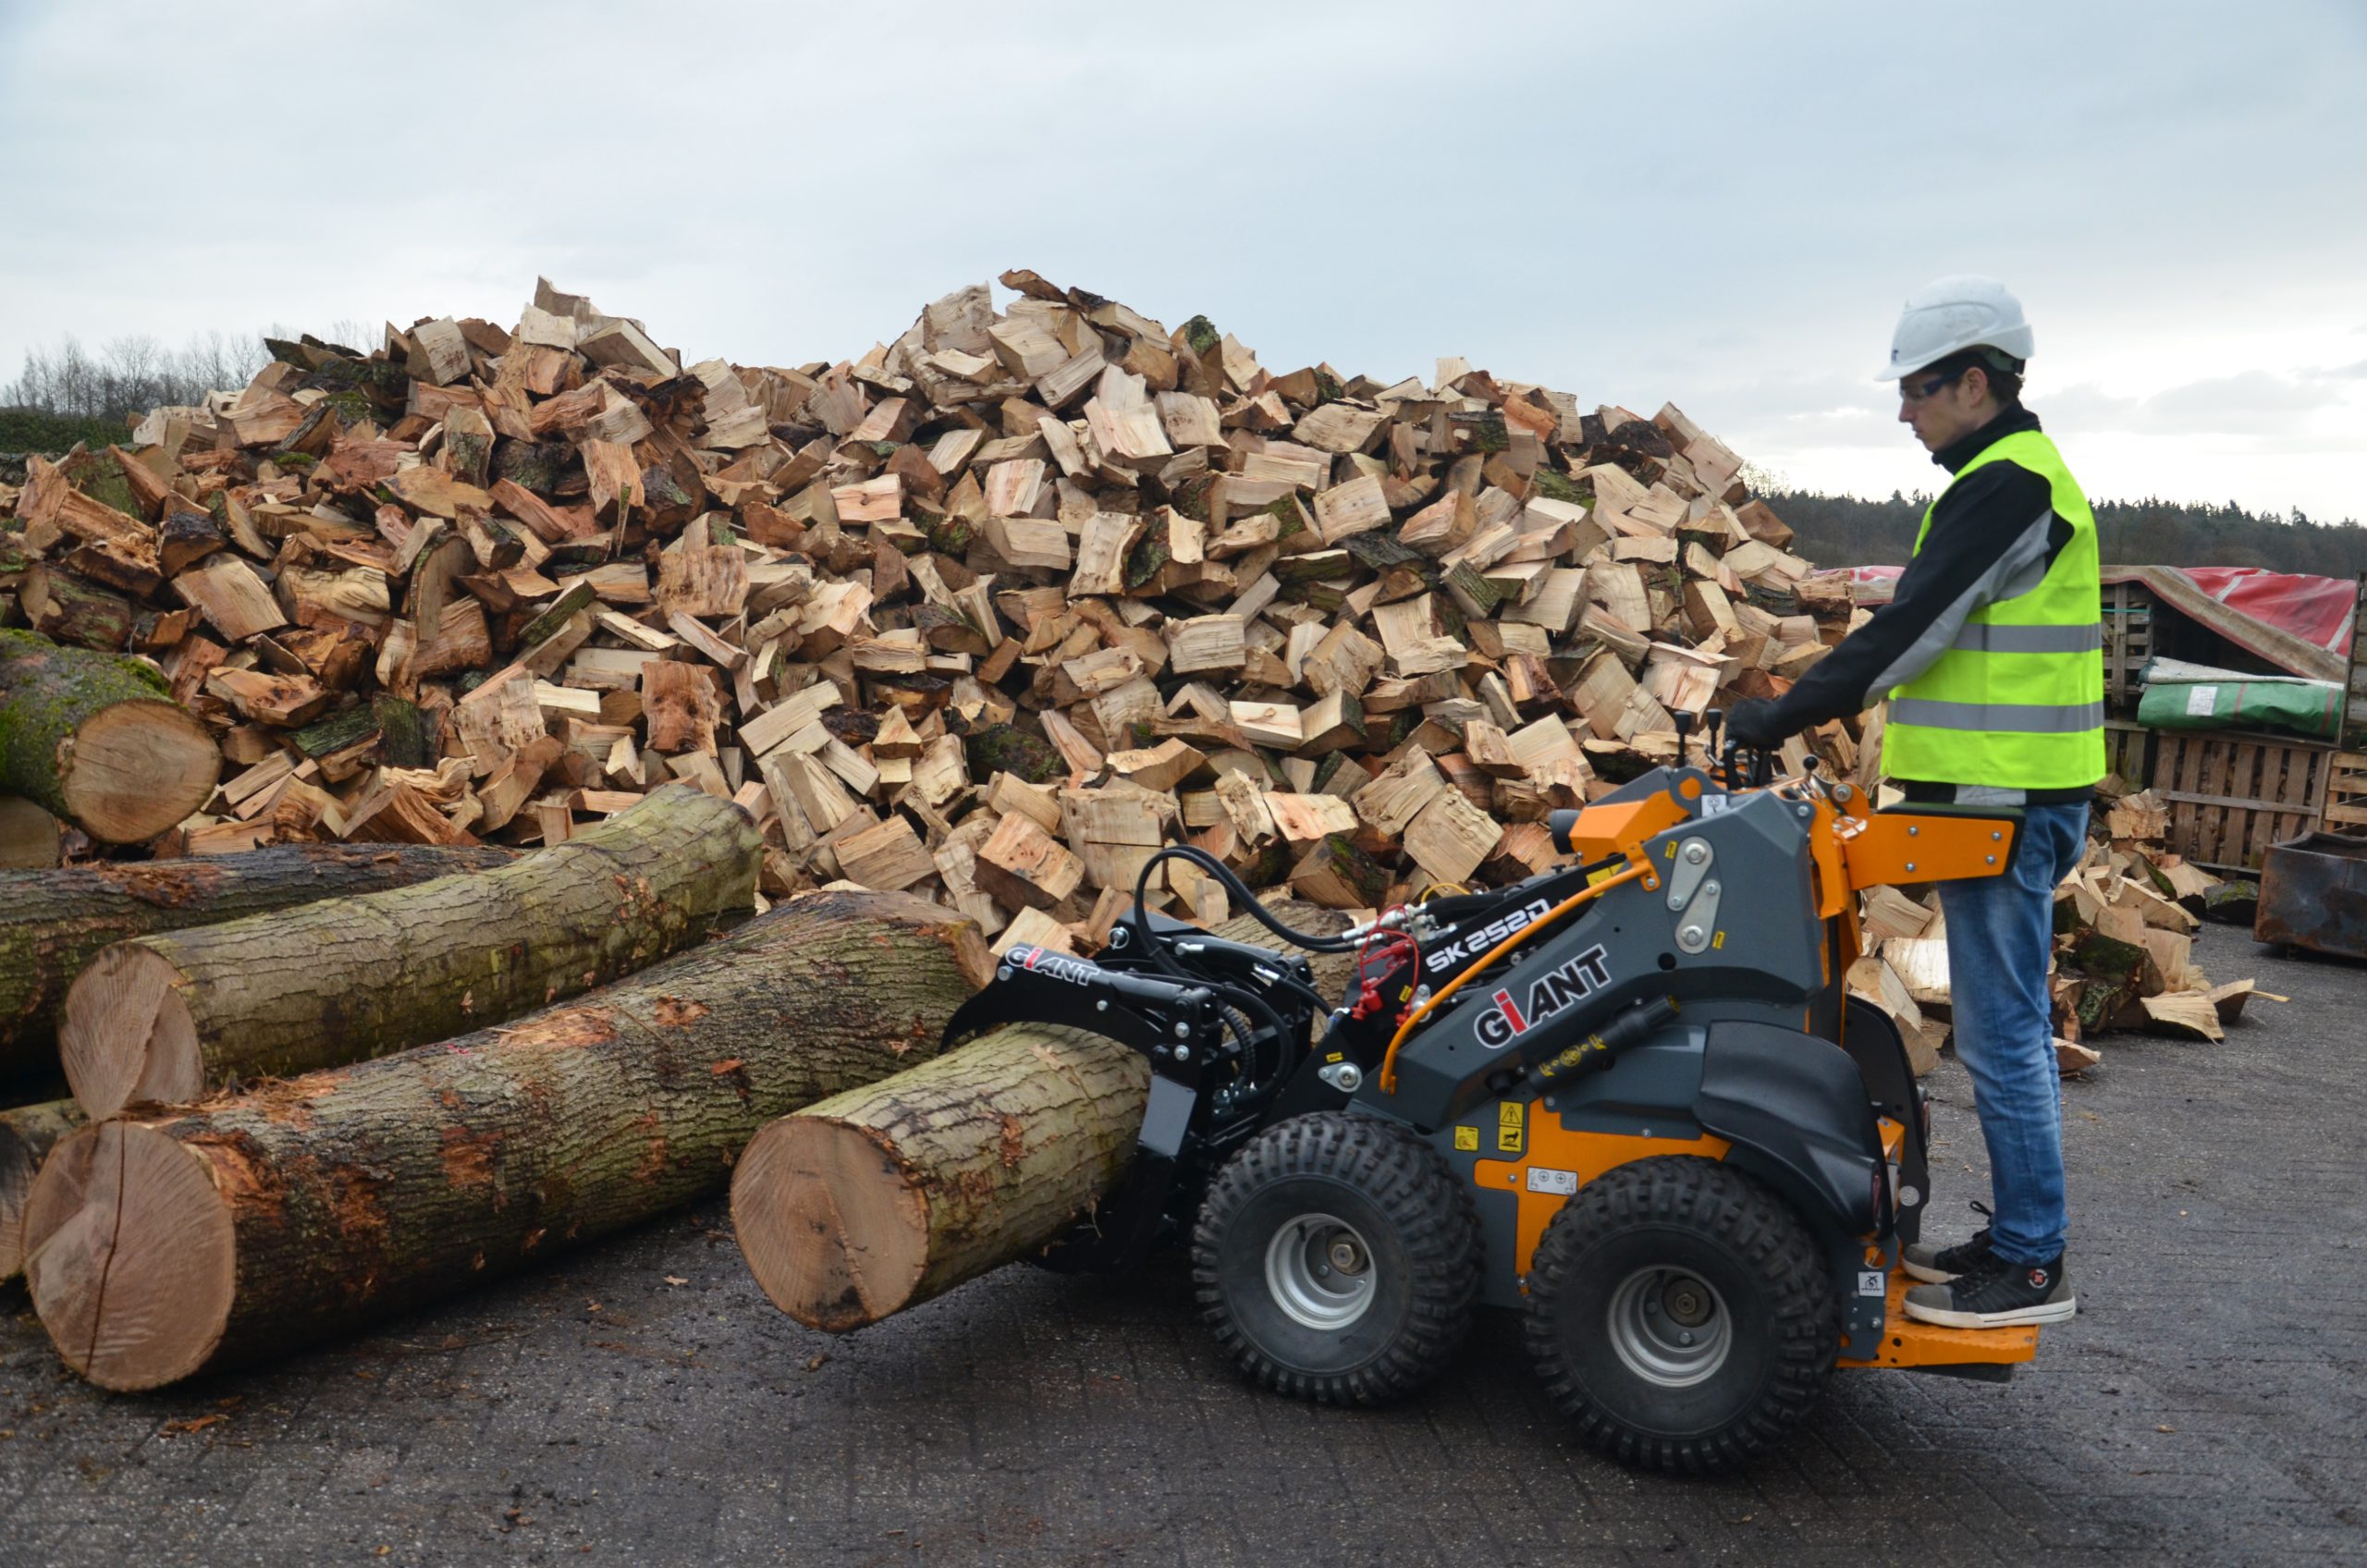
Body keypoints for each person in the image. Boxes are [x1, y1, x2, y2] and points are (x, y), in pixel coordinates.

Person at [1723, 276, 2100, 1329]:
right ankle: (2018, 1240)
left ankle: (2031, 1261)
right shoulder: (2002, 478)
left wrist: (1785, 711)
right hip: (1993, 796)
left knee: (2002, 1033)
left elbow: (1913, 632)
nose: (1903, 411)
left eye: (1917, 390)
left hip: (2004, 804)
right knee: (2001, 1025)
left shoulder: (2007, 484)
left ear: (1973, 382)